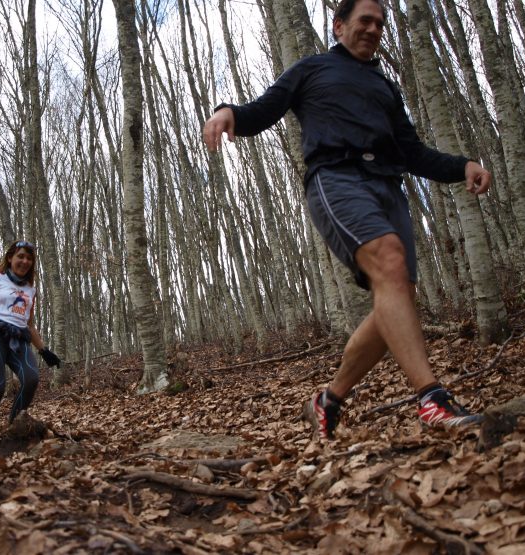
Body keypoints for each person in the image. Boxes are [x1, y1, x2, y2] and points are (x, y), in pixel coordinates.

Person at [203, 0, 491, 439]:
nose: (374, 29)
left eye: (380, 23)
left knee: (396, 295)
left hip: (386, 186)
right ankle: (431, 399)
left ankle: (328, 399)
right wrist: (230, 112)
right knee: (390, 263)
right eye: (365, 21)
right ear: (339, 26)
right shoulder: (312, 69)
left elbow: (412, 152)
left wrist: (462, 165)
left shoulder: (384, 87)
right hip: (336, 180)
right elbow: (265, 109)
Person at [0, 240, 62, 424]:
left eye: (29, 258)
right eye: (20, 256)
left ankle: (16, 425)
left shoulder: (31, 290)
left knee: (31, 379)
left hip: (19, 338)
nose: (25, 261)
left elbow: (29, 325)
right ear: (10, 258)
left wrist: (44, 351)